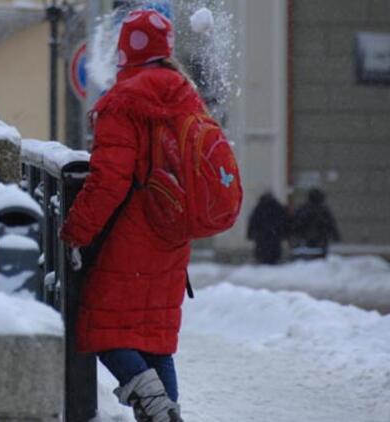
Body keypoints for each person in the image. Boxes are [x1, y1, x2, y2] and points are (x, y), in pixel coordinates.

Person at [60, 10, 219, 422]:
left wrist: (76, 230)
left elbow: (109, 179)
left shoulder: (124, 101)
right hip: (172, 231)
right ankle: (167, 413)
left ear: (125, 49)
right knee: (154, 338)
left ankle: (157, 410)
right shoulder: (186, 95)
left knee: (101, 327)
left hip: (132, 234)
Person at [290, 188, 340, 259]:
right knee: (319, 261)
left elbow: (295, 224)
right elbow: (330, 224)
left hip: (305, 242)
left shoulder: (302, 209)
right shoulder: (323, 210)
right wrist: (336, 237)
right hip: (320, 241)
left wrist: (294, 235)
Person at [247, 192, 289, 264]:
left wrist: (250, 234)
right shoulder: (277, 207)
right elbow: (284, 221)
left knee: (263, 254)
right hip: (274, 235)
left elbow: (253, 222)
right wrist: (285, 233)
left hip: (262, 237)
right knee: (274, 254)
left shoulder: (259, 208)